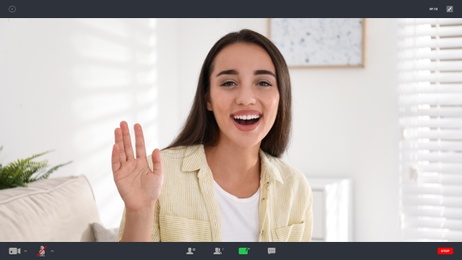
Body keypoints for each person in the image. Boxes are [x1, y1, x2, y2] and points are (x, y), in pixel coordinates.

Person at [112, 29, 313, 242]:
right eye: (229, 83)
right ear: (208, 98)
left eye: (263, 83)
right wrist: (139, 211)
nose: (246, 98)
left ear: (281, 97)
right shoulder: (158, 176)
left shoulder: (295, 186)